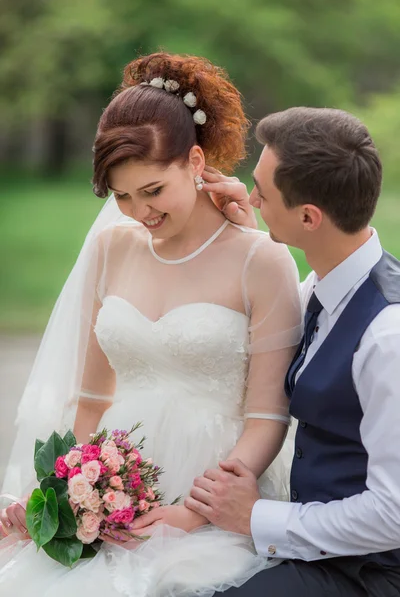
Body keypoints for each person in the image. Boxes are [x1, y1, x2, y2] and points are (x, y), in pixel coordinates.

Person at [0, 53, 302, 596]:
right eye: (122, 197)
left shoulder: (261, 260)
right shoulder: (113, 248)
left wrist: (192, 513)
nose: (140, 212)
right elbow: (91, 401)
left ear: (193, 160)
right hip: (113, 483)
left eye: (153, 190)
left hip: (212, 484)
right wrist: (60, 493)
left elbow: (266, 419)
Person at [186, 107, 400, 596]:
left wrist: (259, 517)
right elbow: (281, 307)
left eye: (261, 191)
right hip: (317, 549)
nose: (250, 196)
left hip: (369, 573)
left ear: (309, 217)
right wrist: (250, 238)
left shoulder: (388, 339)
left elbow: (394, 513)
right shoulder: (325, 287)